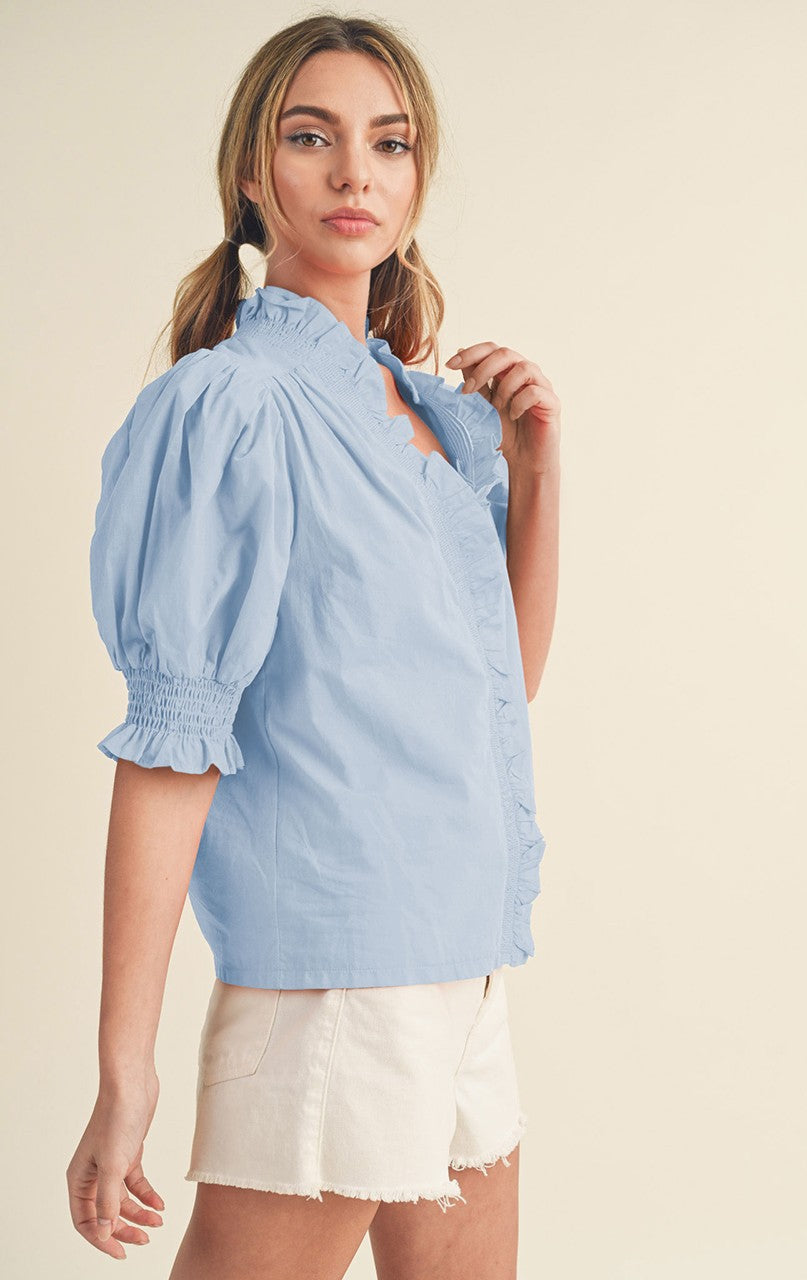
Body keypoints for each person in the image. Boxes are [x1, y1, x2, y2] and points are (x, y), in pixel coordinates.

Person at [66, 14, 560, 1279]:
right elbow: (173, 746)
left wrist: (537, 479)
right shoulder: (231, 407)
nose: (354, 173)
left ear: (417, 174)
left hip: (463, 966)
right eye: (311, 136)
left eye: (388, 143)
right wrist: (126, 1068)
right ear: (252, 169)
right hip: (335, 988)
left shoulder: (427, 412)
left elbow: (496, 695)